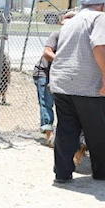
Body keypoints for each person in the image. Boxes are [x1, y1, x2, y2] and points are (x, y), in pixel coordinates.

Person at [49, 0, 105, 183]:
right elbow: (99, 45)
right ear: (103, 6)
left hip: (62, 84)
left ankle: (62, 174)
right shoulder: (101, 17)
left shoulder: (70, 21)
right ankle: (103, 170)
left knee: (66, 130)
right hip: (89, 86)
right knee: (100, 130)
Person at [33, 11, 76, 147]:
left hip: (61, 75)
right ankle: (49, 135)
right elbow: (47, 53)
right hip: (44, 73)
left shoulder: (76, 40)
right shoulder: (56, 35)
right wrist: (62, 61)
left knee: (64, 105)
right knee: (46, 102)